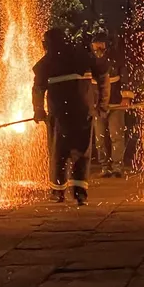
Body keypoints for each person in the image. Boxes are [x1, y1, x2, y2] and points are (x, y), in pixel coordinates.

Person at [32, 28, 109, 206]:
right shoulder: (82, 56)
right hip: (83, 112)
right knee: (82, 151)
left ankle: (58, 192)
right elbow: (103, 73)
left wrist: (38, 110)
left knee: (59, 151)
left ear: (48, 43)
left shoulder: (47, 62)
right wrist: (102, 105)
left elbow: (37, 89)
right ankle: (79, 193)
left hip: (59, 114)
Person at [90, 32, 135, 178]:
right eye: (95, 45)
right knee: (100, 138)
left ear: (106, 45)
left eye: (101, 44)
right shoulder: (89, 62)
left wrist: (126, 98)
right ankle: (105, 167)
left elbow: (126, 78)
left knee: (116, 136)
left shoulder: (116, 60)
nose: (98, 48)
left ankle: (117, 168)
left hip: (115, 103)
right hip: (98, 106)